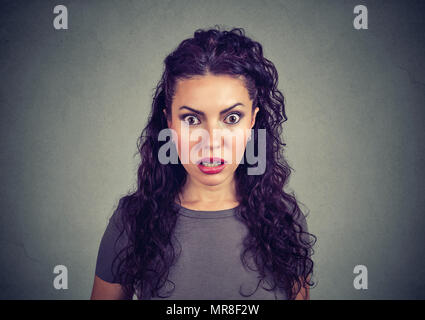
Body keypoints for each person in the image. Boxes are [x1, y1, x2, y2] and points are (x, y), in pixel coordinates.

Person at [90, 26, 316, 300]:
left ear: (253, 120)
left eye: (231, 118)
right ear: (170, 122)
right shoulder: (133, 221)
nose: (211, 142)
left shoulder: (285, 219)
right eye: (192, 119)